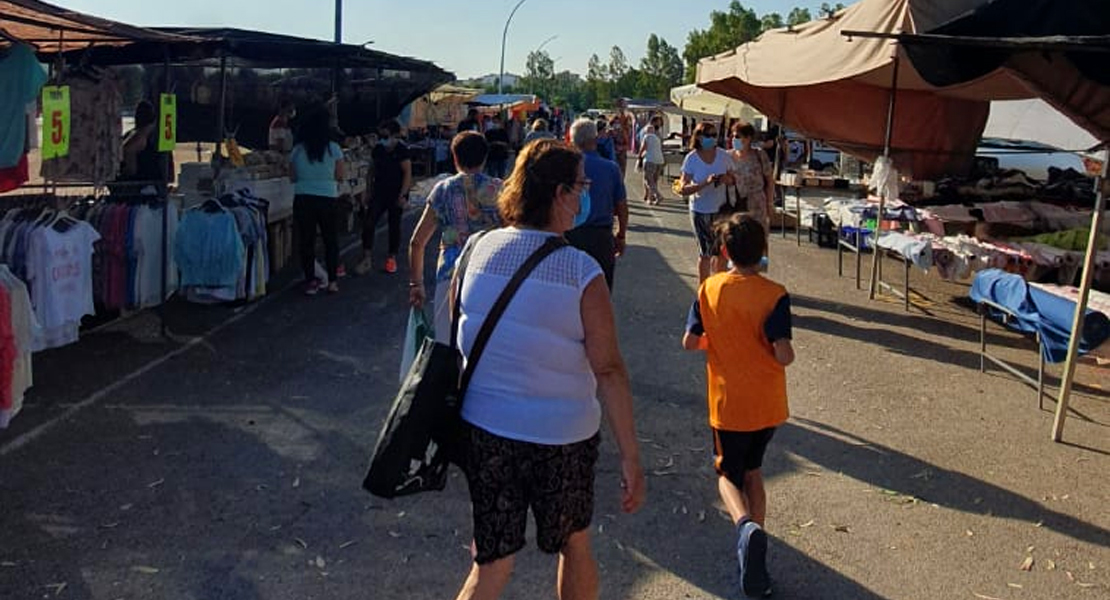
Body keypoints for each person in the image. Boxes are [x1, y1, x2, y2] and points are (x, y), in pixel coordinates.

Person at [451, 138, 645, 600]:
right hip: (562, 438)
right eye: (581, 187)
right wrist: (631, 455)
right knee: (574, 545)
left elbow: (456, 334)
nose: (584, 196)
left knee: (491, 564)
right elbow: (610, 370)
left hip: (485, 429)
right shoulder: (580, 271)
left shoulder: (476, 248)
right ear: (560, 193)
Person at [681, 214, 794, 599]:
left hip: (727, 403)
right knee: (754, 470)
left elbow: (690, 342)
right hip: (766, 403)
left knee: (728, 475)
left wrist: (720, 341)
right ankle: (755, 547)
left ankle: (745, 526)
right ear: (762, 250)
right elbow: (783, 355)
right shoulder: (775, 293)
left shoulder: (709, 289)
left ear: (724, 251)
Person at [408, 132, 503, 342]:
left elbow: (417, 242)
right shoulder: (499, 190)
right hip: (491, 275)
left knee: (445, 348)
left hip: (449, 276)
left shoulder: (442, 190)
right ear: (485, 158)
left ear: (454, 157)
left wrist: (417, 284)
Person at [566, 119, 629, 290]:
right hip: (600, 238)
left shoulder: (565, 167)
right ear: (595, 140)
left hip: (568, 235)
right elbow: (622, 205)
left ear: (572, 140)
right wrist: (621, 235)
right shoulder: (611, 168)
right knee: (600, 289)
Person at [290, 105, 345, 295]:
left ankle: (311, 282)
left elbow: (292, 177)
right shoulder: (334, 149)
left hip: (303, 197)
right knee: (331, 240)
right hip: (327, 198)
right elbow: (340, 175)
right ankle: (332, 281)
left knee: (306, 241)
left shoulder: (297, 150)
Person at [679, 122, 735, 283]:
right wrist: (705, 183)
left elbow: (733, 180)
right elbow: (683, 188)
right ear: (699, 137)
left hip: (721, 210)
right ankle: (703, 289)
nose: (711, 138)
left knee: (721, 252)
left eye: (714, 135)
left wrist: (726, 179)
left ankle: (718, 285)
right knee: (705, 253)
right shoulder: (692, 158)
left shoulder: (724, 156)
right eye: (708, 135)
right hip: (700, 209)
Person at [358, 119, 412, 275]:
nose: (383, 138)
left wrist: (403, 194)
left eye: (385, 134)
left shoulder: (402, 150)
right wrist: (368, 191)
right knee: (369, 222)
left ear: (394, 134)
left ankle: (391, 258)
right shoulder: (379, 149)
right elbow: (371, 171)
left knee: (394, 224)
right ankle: (366, 257)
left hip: (396, 192)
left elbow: (407, 173)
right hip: (379, 191)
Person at [728, 123, 775, 234]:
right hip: (736, 205)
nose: (734, 139)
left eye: (738, 137)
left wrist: (770, 203)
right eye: (733, 136)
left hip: (757, 205)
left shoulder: (759, 155)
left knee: (758, 238)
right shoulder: (727, 156)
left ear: (748, 138)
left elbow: (770, 181)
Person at [119, 100, 172, 193]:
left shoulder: (137, 135)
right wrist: (130, 171)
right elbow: (128, 151)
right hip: (142, 188)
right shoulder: (140, 136)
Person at [638, 124, 665, 206]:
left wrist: (639, 156)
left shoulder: (647, 137)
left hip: (650, 160)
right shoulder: (657, 138)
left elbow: (643, 148)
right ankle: (650, 198)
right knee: (654, 180)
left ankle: (658, 195)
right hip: (660, 160)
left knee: (648, 180)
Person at [611, 99, 635, 178]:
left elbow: (628, 143)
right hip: (612, 152)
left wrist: (622, 147)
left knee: (621, 173)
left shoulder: (626, 125)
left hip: (621, 152)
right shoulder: (612, 122)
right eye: (620, 106)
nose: (621, 109)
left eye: (623, 106)